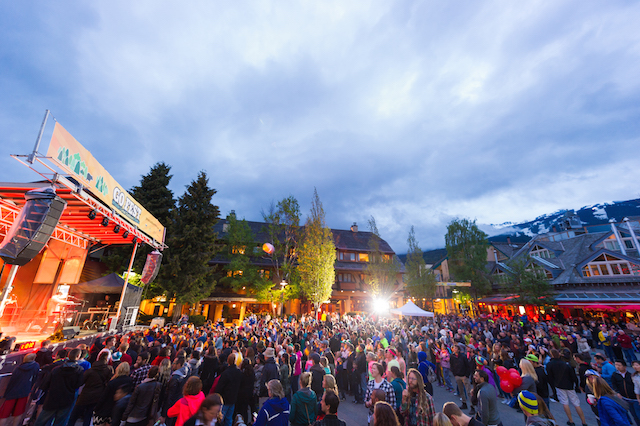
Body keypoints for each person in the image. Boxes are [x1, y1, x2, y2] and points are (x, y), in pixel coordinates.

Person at [34, 348, 84, 426]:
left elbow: (46, 383)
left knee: (41, 421)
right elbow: (78, 384)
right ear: (78, 356)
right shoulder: (79, 370)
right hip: (67, 399)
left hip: (52, 399)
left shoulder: (56, 369)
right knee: (60, 422)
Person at [67, 349, 114, 426]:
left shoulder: (91, 370)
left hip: (85, 395)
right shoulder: (109, 369)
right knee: (88, 416)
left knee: (74, 416)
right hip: (98, 395)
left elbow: (81, 382)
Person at [546, 349, 586, 426]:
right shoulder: (566, 364)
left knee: (565, 403)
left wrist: (554, 387)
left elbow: (550, 378)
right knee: (576, 403)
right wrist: (576, 385)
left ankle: (571, 421)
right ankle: (583, 422)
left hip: (559, 385)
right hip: (569, 385)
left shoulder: (550, 364)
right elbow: (573, 376)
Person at [0, 353, 40, 426]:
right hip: (24, 392)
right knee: (18, 413)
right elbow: (35, 378)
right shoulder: (35, 366)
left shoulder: (18, 368)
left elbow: (12, 381)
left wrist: (6, 393)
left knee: (4, 414)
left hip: (12, 392)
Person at [92, 362, 133, 426]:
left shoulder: (113, 381)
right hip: (116, 411)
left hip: (104, 409)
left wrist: (96, 408)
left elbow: (104, 396)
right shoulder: (130, 381)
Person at [215, 353, 243, 426]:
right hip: (233, 398)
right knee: (229, 418)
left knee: (221, 418)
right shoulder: (239, 372)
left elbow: (220, 386)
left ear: (228, 361)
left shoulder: (226, 373)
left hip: (225, 398)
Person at [611, 359, 640, 425]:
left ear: (625, 366)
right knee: (634, 415)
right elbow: (614, 385)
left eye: (619, 365)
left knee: (638, 414)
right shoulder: (615, 375)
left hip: (635, 399)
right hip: (625, 398)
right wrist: (617, 392)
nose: (617, 367)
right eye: (616, 365)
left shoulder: (631, 375)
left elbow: (636, 388)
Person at [450, 344, 471, 410]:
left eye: (456, 348)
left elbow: (467, 366)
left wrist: (466, 375)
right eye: (454, 348)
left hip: (464, 375)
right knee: (461, 390)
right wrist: (455, 374)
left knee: (468, 391)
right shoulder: (452, 356)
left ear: (459, 349)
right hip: (457, 375)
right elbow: (452, 366)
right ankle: (464, 403)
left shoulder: (463, 356)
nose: (455, 349)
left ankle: (472, 405)